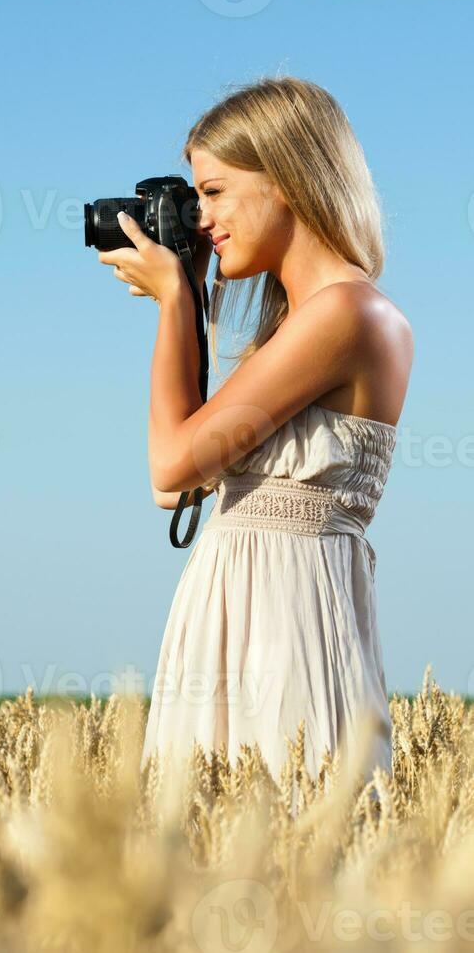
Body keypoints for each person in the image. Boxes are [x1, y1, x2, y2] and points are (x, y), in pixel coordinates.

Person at [98, 75, 414, 787]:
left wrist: (177, 297)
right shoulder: (298, 328)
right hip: (237, 607)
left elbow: (172, 464)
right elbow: (173, 485)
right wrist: (182, 293)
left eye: (213, 191)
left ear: (287, 180)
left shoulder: (348, 315)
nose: (200, 216)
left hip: (287, 620)